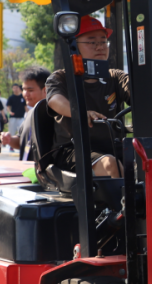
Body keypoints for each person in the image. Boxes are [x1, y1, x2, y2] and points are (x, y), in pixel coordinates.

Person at [45, 16, 130, 178]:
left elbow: (138, 93)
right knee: (111, 165)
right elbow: (55, 100)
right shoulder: (61, 78)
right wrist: (81, 112)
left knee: (148, 158)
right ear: (74, 47)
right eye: (92, 42)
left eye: (103, 41)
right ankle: (123, 204)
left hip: (112, 146)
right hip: (73, 150)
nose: (100, 47)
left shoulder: (116, 77)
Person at [0, 66, 50, 161]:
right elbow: (22, 141)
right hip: (27, 171)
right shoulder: (30, 113)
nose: (25, 94)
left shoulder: (54, 116)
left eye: (30, 90)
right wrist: (9, 139)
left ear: (45, 90)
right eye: (24, 89)